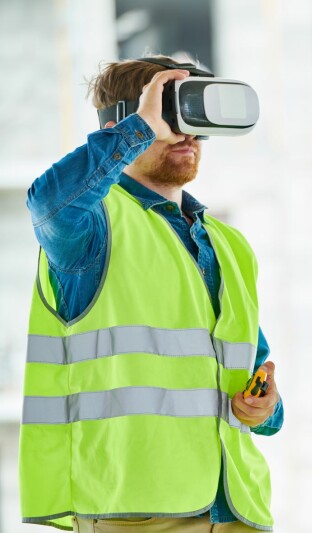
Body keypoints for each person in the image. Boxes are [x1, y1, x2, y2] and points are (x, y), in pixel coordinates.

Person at [22, 56, 283, 532]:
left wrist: (264, 406)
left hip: (236, 509)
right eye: (170, 118)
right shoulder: (90, 228)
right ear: (127, 122)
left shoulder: (229, 245)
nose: (186, 135)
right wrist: (141, 127)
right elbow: (46, 202)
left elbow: (254, 381)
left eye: (194, 121)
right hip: (137, 512)